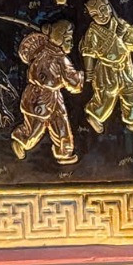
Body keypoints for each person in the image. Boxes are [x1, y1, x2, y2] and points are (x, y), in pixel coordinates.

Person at [11, 20, 85, 163]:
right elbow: (74, 83)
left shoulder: (41, 52)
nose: (71, 44)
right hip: (43, 99)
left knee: (59, 124)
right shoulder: (61, 60)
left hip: (38, 95)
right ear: (59, 39)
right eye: (68, 40)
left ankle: (64, 152)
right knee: (39, 128)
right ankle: (23, 142)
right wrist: (82, 76)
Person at [79, 0, 133, 135]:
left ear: (109, 7)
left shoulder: (121, 25)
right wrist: (89, 71)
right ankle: (95, 115)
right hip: (106, 70)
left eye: (103, 9)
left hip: (126, 67)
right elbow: (88, 53)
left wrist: (127, 34)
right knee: (106, 95)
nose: (101, 15)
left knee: (132, 91)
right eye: (95, 14)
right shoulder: (93, 32)